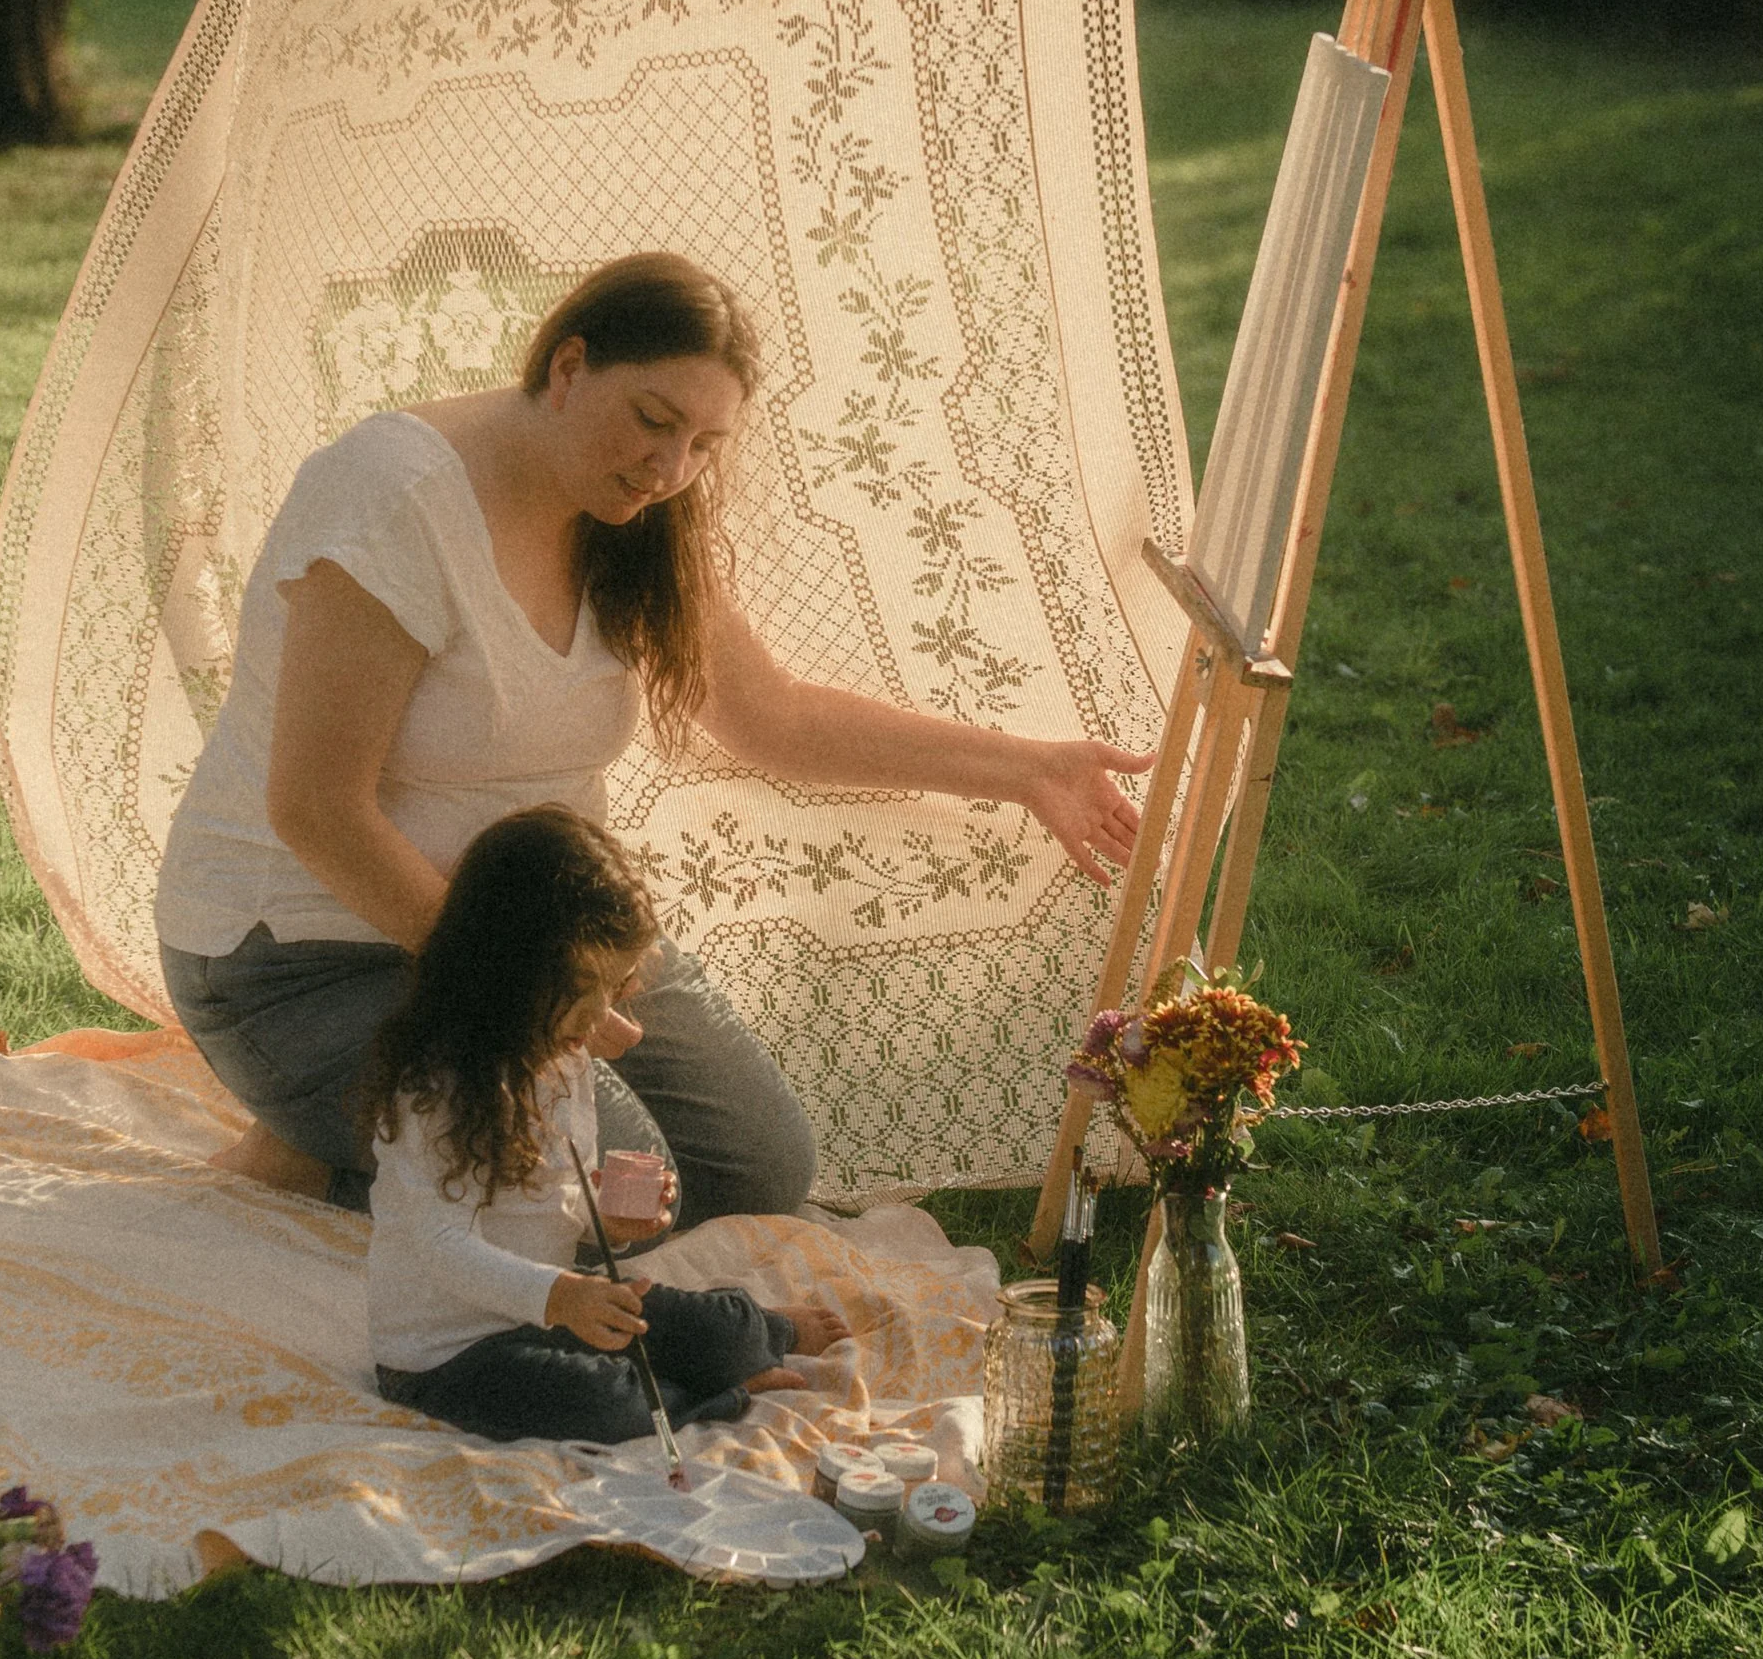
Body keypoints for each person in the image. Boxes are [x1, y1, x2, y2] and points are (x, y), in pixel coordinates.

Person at [156, 250, 1150, 1215]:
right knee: (612, 1196)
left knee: (761, 1167)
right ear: (569, 365)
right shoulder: (393, 494)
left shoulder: (632, 511)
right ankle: (312, 1162)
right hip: (298, 954)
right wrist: (530, 994)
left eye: (703, 445)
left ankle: (396, 1155)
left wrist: (1028, 769)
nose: (671, 467)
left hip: (524, 936)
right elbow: (317, 809)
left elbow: (777, 717)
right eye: (653, 420)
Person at [360, 807, 849, 1443]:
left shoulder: (563, 1059)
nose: (598, 1017)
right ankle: (712, 1398)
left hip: (556, 1307)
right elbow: (441, 1246)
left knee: (709, 1329)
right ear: (504, 966)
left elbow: (555, 1193)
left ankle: (760, 1336)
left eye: (614, 988)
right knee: (602, 1406)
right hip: (452, 1353)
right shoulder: (435, 1086)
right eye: (578, 987)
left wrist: (604, 1226)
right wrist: (561, 1297)